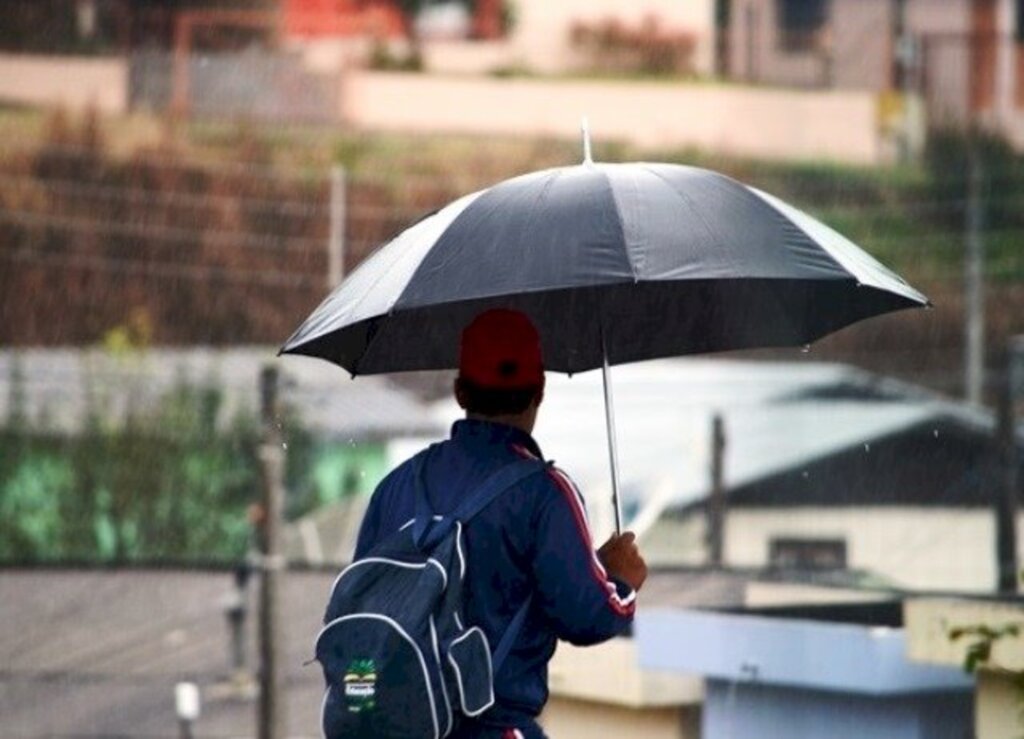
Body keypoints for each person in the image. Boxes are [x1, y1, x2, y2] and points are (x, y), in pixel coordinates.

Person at [354, 308, 648, 739]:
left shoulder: (396, 487)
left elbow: (361, 619)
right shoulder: (545, 493)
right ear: (541, 390)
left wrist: (361, 710)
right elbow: (587, 617)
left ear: (459, 391)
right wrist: (620, 581)